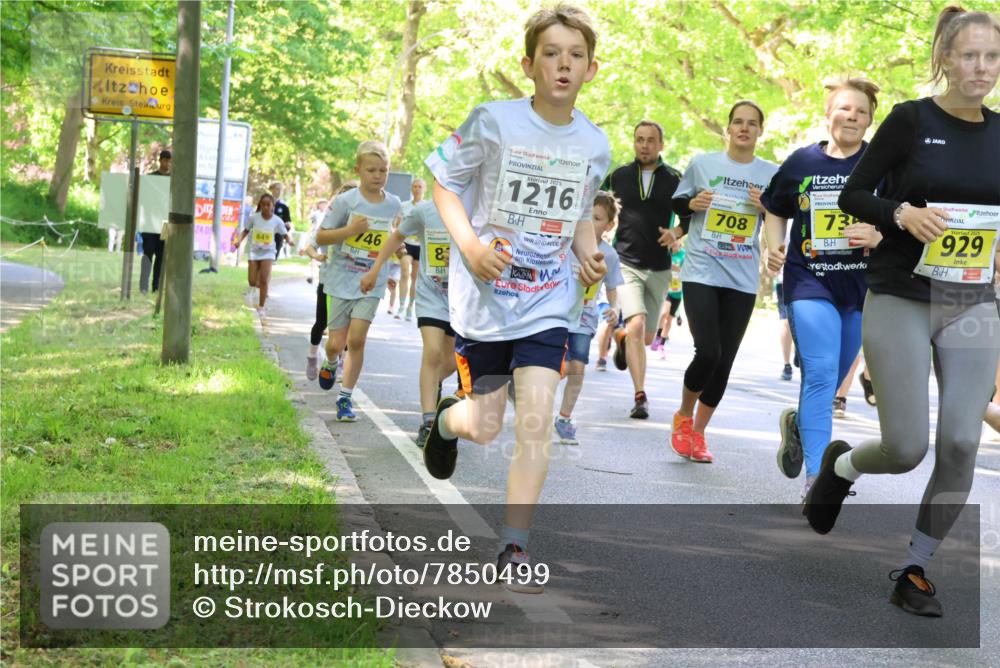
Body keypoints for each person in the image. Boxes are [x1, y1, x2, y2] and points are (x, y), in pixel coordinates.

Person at [807, 6, 1000, 617]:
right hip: (901, 295)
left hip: (972, 300)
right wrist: (901, 214)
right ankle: (842, 466)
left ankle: (915, 568)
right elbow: (852, 193)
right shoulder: (911, 120)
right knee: (906, 447)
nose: (982, 67)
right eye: (969, 55)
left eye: (992, 56)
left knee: (962, 442)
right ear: (945, 58)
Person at [421, 4, 610, 592]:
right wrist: (472, 248)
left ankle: (513, 544)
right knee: (484, 425)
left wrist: (588, 254)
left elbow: (580, 215)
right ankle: (446, 423)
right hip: (485, 298)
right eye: (551, 54)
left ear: (591, 70)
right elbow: (444, 184)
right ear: (529, 65)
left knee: (535, 420)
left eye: (575, 55)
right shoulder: (493, 121)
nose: (563, 64)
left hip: (548, 300)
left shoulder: (595, 144)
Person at [762, 78, 883, 499]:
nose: (852, 116)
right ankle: (817, 479)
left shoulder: (882, 166)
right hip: (808, 280)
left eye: (861, 111)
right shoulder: (801, 162)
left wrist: (880, 234)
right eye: (844, 108)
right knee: (820, 373)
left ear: (870, 120)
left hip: (861, 288)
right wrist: (773, 247)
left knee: (833, 377)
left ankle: (799, 425)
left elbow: (904, 217)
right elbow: (773, 208)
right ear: (828, 112)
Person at [665, 101, 778, 463]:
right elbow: (679, 204)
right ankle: (684, 416)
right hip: (702, 269)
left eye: (752, 123)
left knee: (725, 360)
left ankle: (698, 434)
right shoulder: (703, 164)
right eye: (738, 122)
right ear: (728, 128)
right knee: (708, 351)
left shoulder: (771, 174)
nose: (744, 128)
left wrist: (767, 208)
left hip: (742, 277)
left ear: (760, 131)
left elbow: (780, 216)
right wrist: (693, 204)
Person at [314, 141, 403, 422]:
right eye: (371, 170)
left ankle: (345, 398)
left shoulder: (393, 204)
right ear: (358, 170)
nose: (377, 176)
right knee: (335, 344)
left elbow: (394, 236)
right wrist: (350, 230)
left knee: (356, 340)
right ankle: (331, 362)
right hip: (341, 279)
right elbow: (321, 236)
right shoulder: (345, 201)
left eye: (383, 171)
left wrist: (397, 250)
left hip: (371, 281)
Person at [362, 194, 457, 448]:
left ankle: (433, 383)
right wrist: (375, 269)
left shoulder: (473, 211)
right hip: (431, 295)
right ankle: (428, 422)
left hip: (460, 299)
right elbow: (396, 237)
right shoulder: (425, 211)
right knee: (433, 352)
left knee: (450, 362)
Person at [605, 120, 683, 418]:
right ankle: (640, 396)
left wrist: (676, 233)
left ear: (661, 145)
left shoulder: (675, 179)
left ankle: (622, 338)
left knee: (647, 338)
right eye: (639, 139)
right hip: (626, 263)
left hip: (660, 267)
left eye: (651, 140)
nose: (645, 145)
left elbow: (692, 215)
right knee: (636, 324)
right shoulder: (618, 176)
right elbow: (595, 203)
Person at [554, 191, 623, 444]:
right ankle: (526, 387)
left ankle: (564, 418)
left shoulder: (609, 255)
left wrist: (614, 308)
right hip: (557, 314)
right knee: (554, 364)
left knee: (577, 368)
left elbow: (612, 286)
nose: (590, 222)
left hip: (584, 319)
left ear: (609, 225)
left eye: (597, 218)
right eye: (587, 216)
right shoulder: (565, 244)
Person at [304, 185, 357, 381]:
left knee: (348, 328)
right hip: (328, 283)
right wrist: (317, 256)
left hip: (351, 285)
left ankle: (340, 362)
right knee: (322, 322)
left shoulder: (359, 225)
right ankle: (312, 357)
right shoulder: (328, 225)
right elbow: (310, 246)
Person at [235, 192, 288, 319]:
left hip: (268, 252)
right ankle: (252, 290)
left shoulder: (277, 220)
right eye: (263, 204)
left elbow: (284, 233)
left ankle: (262, 307)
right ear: (260, 205)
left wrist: (290, 241)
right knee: (252, 281)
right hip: (254, 252)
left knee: (263, 280)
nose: (265, 207)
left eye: (268, 205)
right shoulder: (254, 218)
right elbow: (245, 231)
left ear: (272, 206)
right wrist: (238, 241)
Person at [140, 149, 171, 294]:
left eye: (170, 161)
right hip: (150, 222)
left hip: (165, 223)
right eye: (165, 160)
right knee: (148, 254)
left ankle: (156, 285)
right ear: (160, 161)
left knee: (161, 255)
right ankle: (143, 285)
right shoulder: (151, 178)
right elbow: (144, 199)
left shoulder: (173, 180)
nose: (167, 164)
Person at [650, 238, 685, 356]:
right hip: (666, 289)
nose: (674, 242)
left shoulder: (684, 255)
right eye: (672, 240)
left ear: (680, 241)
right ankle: (658, 336)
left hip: (677, 291)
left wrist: (677, 269)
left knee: (669, 320)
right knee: (664, 312)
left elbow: (686, 271)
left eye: (676, 240)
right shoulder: (666, 253)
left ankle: (661, 345)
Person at [398, 178, 426, 321]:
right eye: (415, 186)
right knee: (404, 271)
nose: (417, 189)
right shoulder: (404, 206)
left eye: (420, 186)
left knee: (415, 278)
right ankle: (401, 305)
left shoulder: (427, 207)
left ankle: (410, 307)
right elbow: (397, 225)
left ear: (424, 189)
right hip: (406, 244)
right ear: (411, 188)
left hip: (420, 246)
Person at [270, 182, 292, 260]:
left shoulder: (284, 206)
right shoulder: (265, 202)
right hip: (266, 232)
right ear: (271, 189)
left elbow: (287, 221)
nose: (279, 191)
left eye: (281, 190)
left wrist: (287, 227)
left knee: (274, 257)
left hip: (278, 235)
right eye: (277, 189)